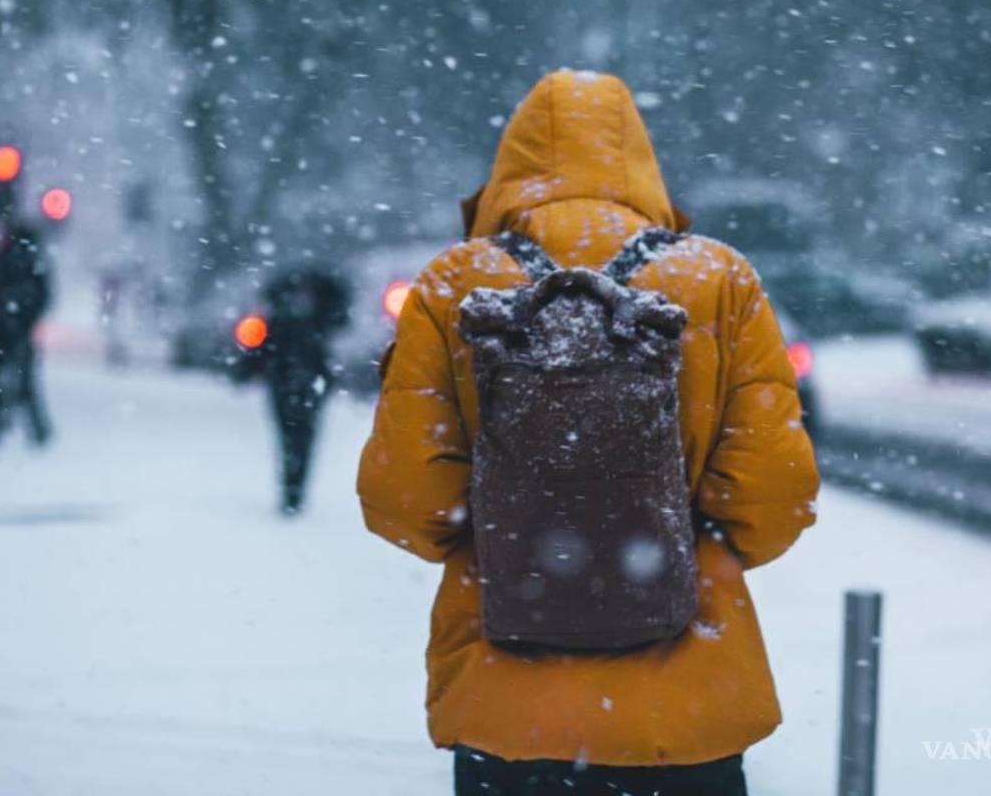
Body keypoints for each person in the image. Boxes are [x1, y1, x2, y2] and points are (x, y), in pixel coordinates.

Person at [357, 71, 820, 795]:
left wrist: (514, 537)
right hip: (686, 713)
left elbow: (404, 501)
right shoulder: (718, 278)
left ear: (510, 165)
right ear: (639, 160)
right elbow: (774, 497)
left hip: (505, 714)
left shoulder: (454, 285)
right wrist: (669, 545)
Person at [235, 267, 350, 514]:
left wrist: (246, 371)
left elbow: (259, 348)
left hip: (286, 381)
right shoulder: (318, 315)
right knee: (301, 437)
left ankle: (292, 489)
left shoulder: (281, 314)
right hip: (306, 382)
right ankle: (294, 489)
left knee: (289, 437)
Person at [0, 180, 51, 450]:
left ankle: (33, 431)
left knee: (21, 380)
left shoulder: (22, 245)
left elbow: (39, 289)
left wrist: (18, 313)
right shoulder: (2, 247)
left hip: (14, 326)